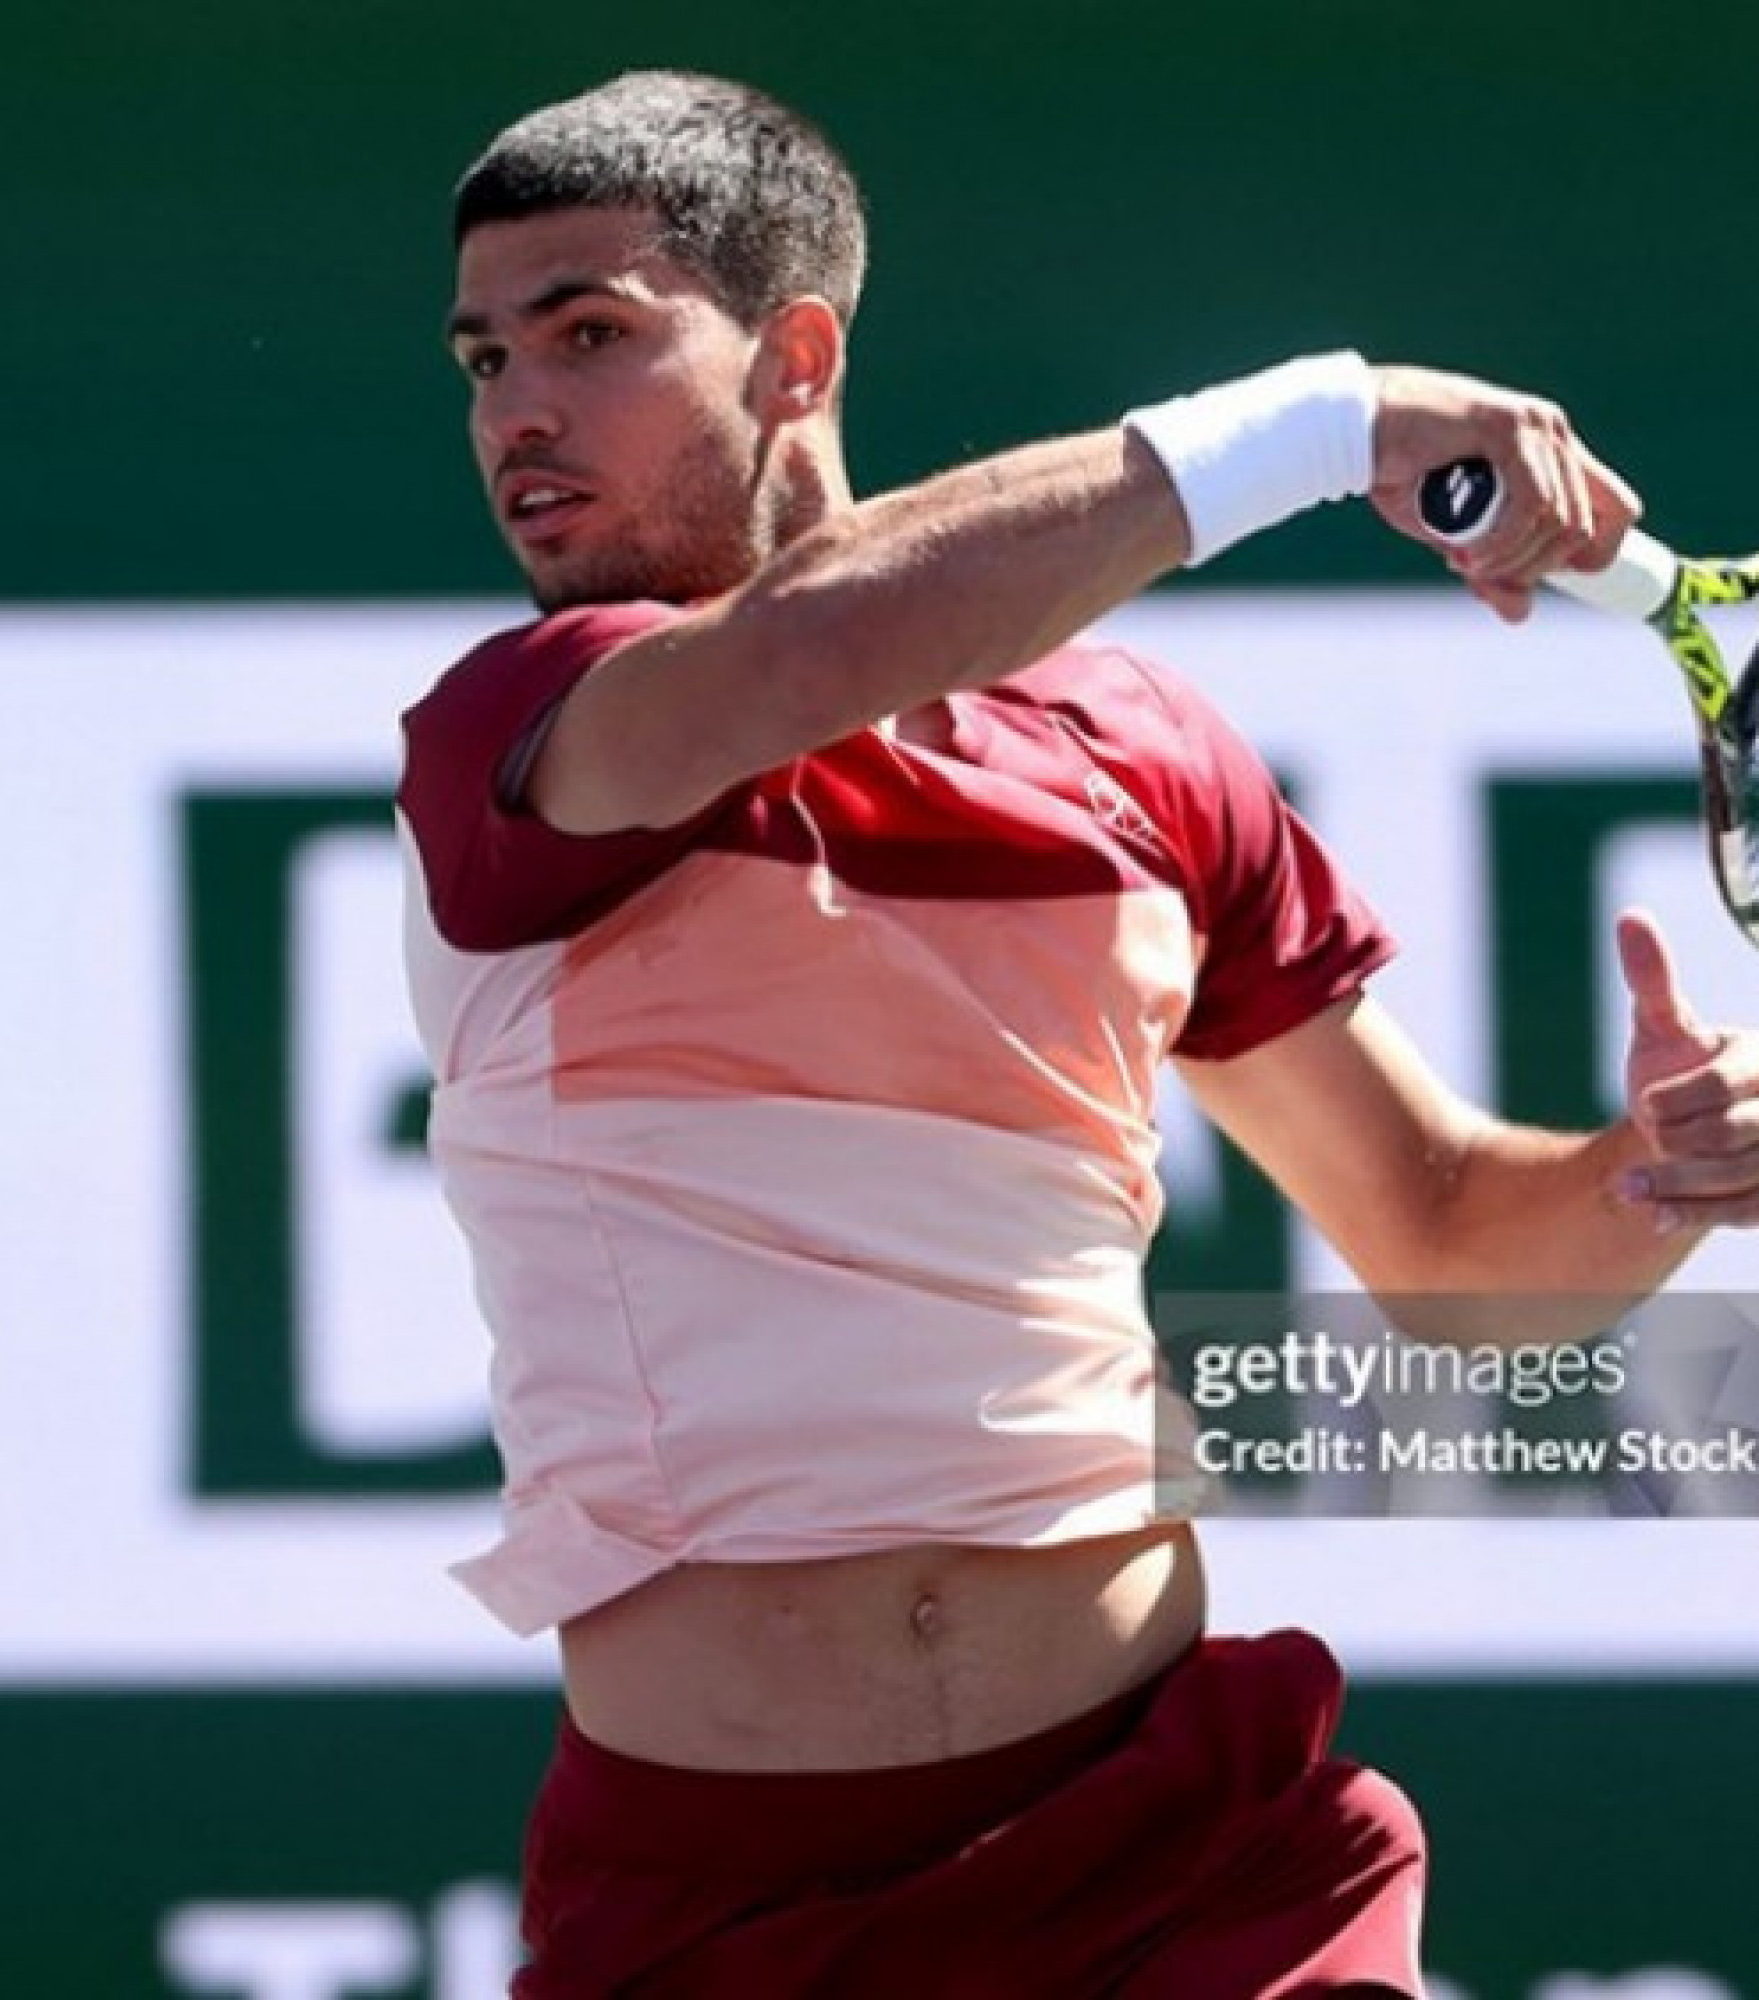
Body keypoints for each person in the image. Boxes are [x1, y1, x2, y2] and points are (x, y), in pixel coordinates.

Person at [395, 70, 1759, 1998]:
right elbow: (804, 650)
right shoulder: (520, 736)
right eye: (483, 359)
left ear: (796, 357)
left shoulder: (1145, 758)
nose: (513, 412)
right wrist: (1327, 422)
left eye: (590, 335)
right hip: (725, 1906)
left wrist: (1662, 1179)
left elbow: (1451, 1247)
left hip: (1193, 1862)